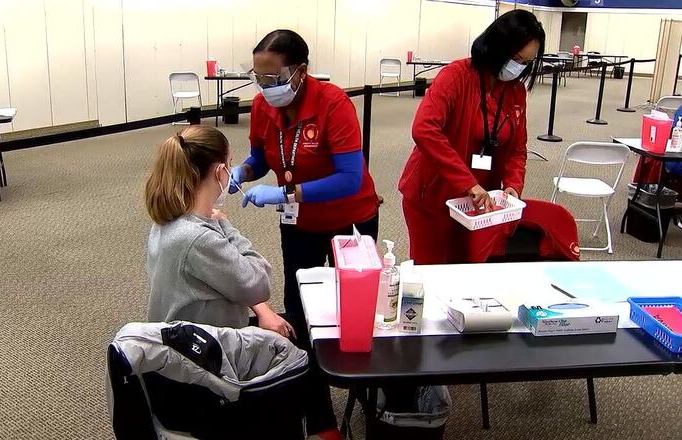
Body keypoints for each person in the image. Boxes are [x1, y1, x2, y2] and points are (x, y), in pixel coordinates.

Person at [230, 29, 378, 440]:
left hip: (351, 217)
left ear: (300, 71)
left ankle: (370, 396)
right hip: (300, 223)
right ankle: (320, 418)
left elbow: (350, 179)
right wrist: (243, 171)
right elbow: (261, 156)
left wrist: (285, 191)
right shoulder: (263, 106)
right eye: (259, 78)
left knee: (358, 314)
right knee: (302, 315)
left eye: (273, 78)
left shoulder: (334, 105)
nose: (265, 87)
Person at [399, 10, 545, 264]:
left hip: (480, 205)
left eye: (526, 63)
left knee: (469, 271)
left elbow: (516, 149)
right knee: (432, 273)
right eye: (516, 59)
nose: (518, 68)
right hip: (434, 195)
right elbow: (424, 129)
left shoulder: (515, 91)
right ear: (497, 47)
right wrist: (468, 183)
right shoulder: (456, 76)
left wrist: (513, 185)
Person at [144, 125, 293, 338]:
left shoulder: (167, 220)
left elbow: (228, 277)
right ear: (220, 172)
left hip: (180, 340)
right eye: (230, 165)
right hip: (208, 355)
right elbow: (259, 283)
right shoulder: (199, 239)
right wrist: (226, 226)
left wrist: (262, 309)